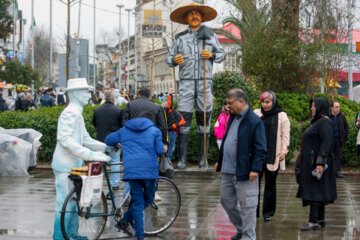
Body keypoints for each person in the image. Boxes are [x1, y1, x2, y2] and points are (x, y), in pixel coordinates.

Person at [167, 2, 225, 169]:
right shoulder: (178, 38)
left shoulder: (210, 36)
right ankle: (183, 159)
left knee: (204, 120)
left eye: (197, 14)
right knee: (183, 120)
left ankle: (203, 159)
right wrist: (174, 59)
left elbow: (221, 54)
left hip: (205, 83)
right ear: (186, 18)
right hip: (185, 83)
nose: (194, 16)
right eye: (191, 14)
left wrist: (212, 55)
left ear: (201, 17)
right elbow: (169, 58)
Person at [51, 78, 110, 240]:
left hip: (75, 164)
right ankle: (60, 237)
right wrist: (91, 155)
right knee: (64, 203)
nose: (89, 95)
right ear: (75, 94)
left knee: (75, 201)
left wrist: (105, 147)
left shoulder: (77, 113)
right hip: (65, 165)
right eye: (86, 91)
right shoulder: (70, 113)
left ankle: (72, 233)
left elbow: (85, 139)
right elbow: (65, 139)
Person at [215, 89, 267, 240]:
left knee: (248, 208)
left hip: (245, 173)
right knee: (226, 201)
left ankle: (248, 236)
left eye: (230, 103)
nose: (228, 106)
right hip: (227, 171)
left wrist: (255, 168)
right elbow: (226, 140)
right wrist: (220, 160)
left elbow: (261, 148)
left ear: (241, 102)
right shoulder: (233, 117)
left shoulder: (254, 121)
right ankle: (241, 229)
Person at [105, 111, 164, 240]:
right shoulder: (155, 131)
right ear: (150, 121)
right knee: (148, 198)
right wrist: (163, 148)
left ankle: (124, 221)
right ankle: (139, 236)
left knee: (137, 202)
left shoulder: (125, 130)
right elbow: (159, 150)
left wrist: (117, 143)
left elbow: (108, 139)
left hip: (132, 171)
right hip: (149, 171)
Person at [296, 98, 336, 231]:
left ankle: (313, 222)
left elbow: (326, 143)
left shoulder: (324, 122)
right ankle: (320, 219)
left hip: (317, 163)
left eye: (314, 106)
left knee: (314, 192)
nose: (312, 108)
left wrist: (320, 162)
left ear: (320, 107)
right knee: (319, 190)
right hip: (312, 162)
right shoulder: (317, 122)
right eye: (312, 106)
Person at [254, 91, 290, 222]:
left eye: (267, 102)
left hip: (273, 155)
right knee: (254, 185)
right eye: (263, 102)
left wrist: (284, 151)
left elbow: (285, 135)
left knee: (270, 185)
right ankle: (254, 211)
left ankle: (268, 213)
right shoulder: (256, 113)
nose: (265, 105)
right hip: (257, 154)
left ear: (273, 102)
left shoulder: (281, 115)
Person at [92, 90, 130, 202]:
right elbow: (121, 126)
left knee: (98, 163)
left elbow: (94, 124)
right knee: (115, 162)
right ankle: (114, 184)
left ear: (105, 99)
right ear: (113, 99)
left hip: (100, 141)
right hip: (114, 142)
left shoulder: (97, 110)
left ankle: (96, 184)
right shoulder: (118, 111)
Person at [163, 91, 186, 161]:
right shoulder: (169, 111)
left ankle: (165, 162)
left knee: (166, 148)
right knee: (171, 148)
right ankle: (168, 162)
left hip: (167, 132)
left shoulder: (163, 113)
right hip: (171, 132)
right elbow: (170, 103)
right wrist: (170, 94)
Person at [329, 101, 348, 178]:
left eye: (339, 107)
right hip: (330, 140)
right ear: (331, 108)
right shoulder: (328, 116)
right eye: (336, 107)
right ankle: (330, 172)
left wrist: (344, 135)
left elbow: (346, 127)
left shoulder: (341, 116)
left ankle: (337, 171)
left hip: (339, 140)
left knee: (338, 156)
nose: (338, 108)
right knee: (330, 156)